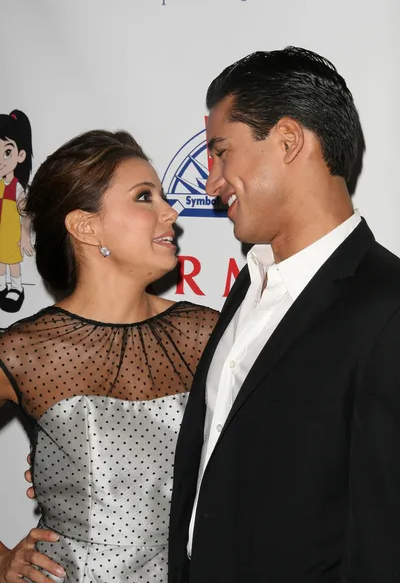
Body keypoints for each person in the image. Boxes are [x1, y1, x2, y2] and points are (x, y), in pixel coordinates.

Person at [168, 47, 400, 582]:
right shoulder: (249, 287)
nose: (211, 182)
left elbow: (384, 543)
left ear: (289, 140)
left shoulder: (388, 307)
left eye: (222, 152)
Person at [0, 130, 218, 583]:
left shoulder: (206, 333)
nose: (170, 212)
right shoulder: (26, 351)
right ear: (85, 226)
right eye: (144, 197)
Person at [0, 109, 34, 313]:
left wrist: (25, 235)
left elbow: (26, 214)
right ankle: (3, 287)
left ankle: (16, 288)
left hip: (11, 234)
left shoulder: (18, 187)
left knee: (12, 263)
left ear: (20, 155)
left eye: (7, 152)